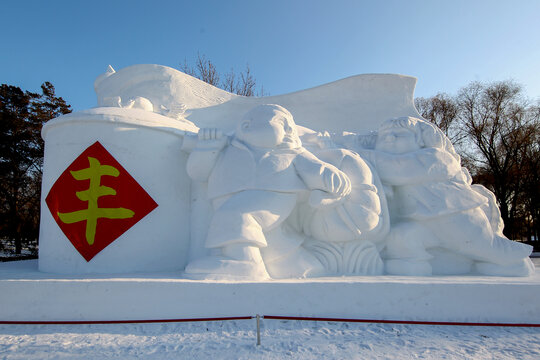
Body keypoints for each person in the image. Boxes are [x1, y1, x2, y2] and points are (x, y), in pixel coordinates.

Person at [184, 104, 351, 279]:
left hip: (272, 200)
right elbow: (197, 173)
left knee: (237, 215)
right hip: (235, 205)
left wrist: (334, 180)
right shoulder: (225, 148)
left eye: (290, 127)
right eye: (282, 124)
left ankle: (247, 264)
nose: (290, 131)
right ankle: (294, 264)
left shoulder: (291, 152)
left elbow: (316, 170)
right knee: (267, 243)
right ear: (246, 126)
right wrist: (207, 147)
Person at [358, 116, 534, 276]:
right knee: (400, 238)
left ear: (420, 141)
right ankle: (414, 267)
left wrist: (356, 153)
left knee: (486, 250)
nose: (390, 138)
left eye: (400, 134)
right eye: (384, 136)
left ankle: (513, 262)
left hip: (455, 216)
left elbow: (397, 169)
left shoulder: (437, 158)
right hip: (419, 221)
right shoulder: (381, 160)